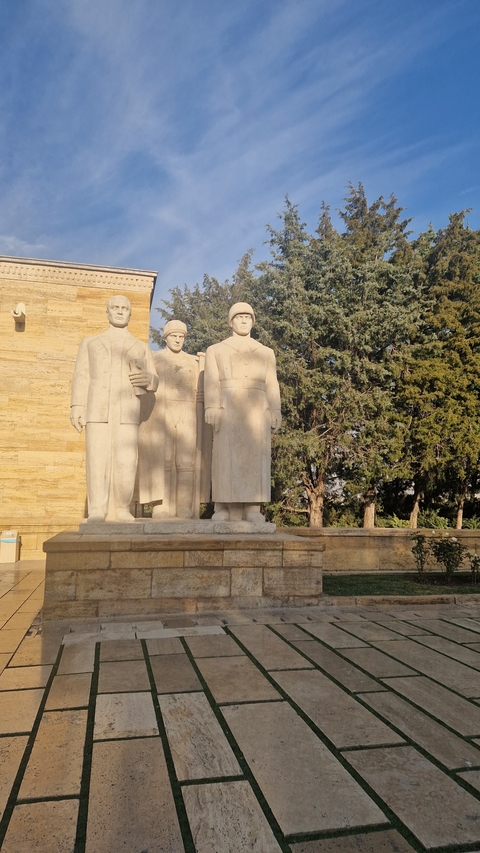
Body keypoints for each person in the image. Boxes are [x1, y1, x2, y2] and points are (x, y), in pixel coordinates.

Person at [70, 295, 158, 522]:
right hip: (97, 409)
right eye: (115, 308)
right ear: (107, 312)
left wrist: (149, 379)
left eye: (124, 308)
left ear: (130, 314)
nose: (119, 311)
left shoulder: (140, 346)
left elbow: (154, 379)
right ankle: (97, 509)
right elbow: (81, 375)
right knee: (97, 459)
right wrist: (77, 405)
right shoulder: (90, 343)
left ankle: (121, 507)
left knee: (126, 460)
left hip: (127, 411)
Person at [204, 302, 281, 522]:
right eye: (239, 317)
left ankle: (252, 508)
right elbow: (211, 380)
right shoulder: (216, 350)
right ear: (231, 322)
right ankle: (223, 507)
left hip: (257, 409)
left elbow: (272, 383)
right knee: (225, 457)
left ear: (253, 321)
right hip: (227, 406)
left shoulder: (265, 352)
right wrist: (211, 406)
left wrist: (275, 409)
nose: (244, 320)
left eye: (248, 317)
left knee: (255, 457)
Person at [138, 320, 211, 518]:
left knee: (186, 461)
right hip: (162, 412)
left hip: (187, 412)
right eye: (173, 336)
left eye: (181, 336)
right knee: (164, 459)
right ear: (166, 337)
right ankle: (162, 505)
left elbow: (201, 392)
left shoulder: (193, 362)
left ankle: (184, 506)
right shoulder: (155, 358)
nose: (178, 340)